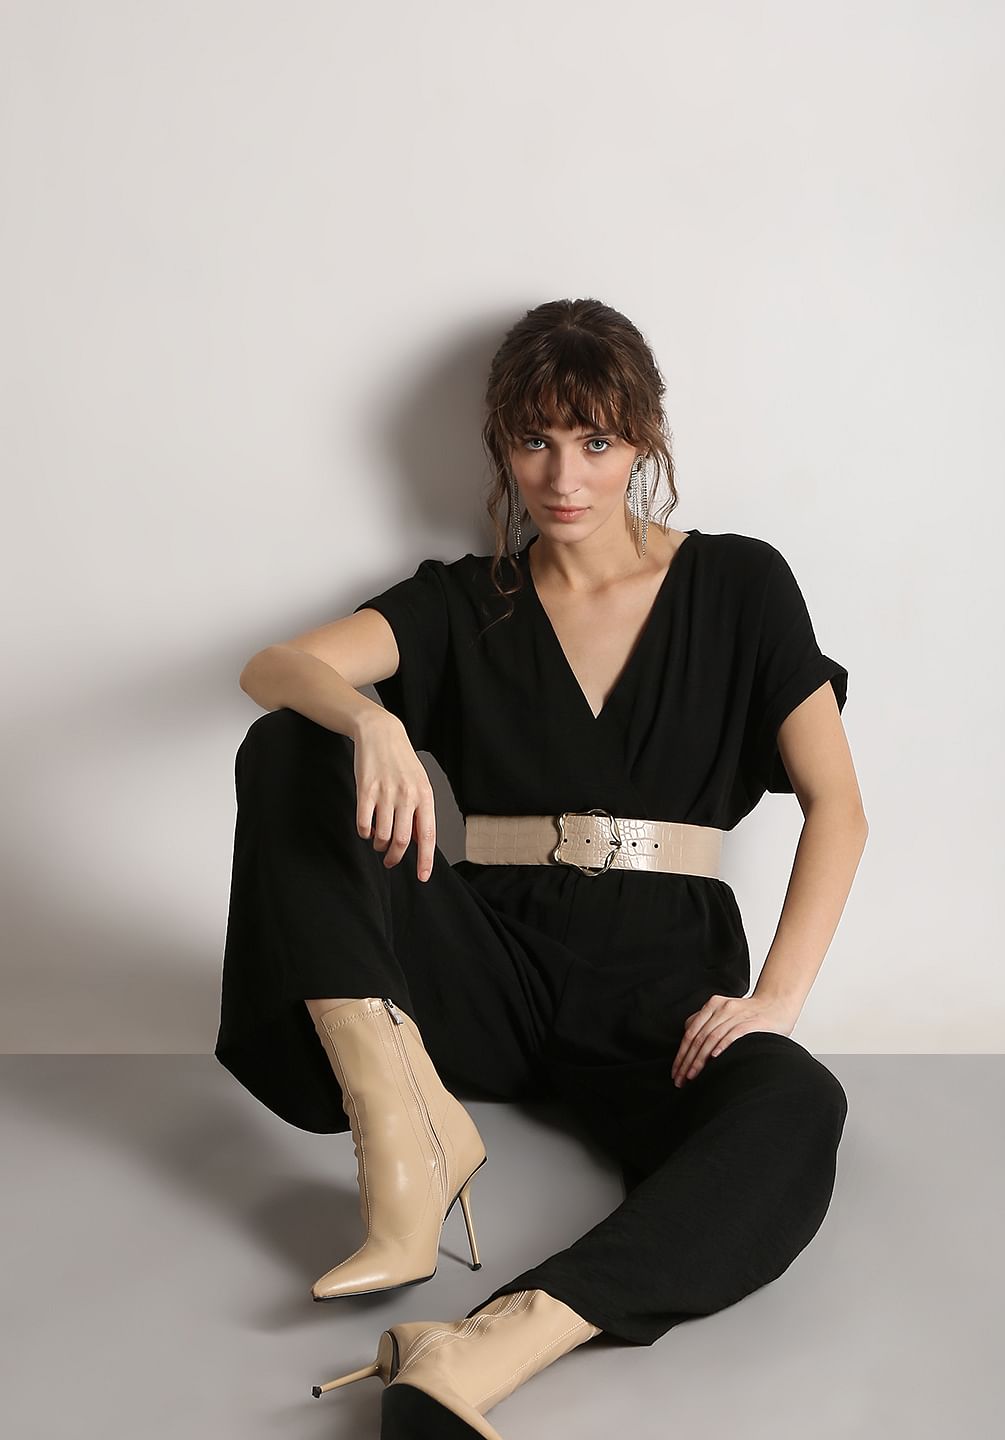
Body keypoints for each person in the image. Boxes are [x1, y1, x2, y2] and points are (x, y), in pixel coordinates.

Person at [214, 297, 868, 1438]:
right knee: (290, 744)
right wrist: (370, 720)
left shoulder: (741, 584)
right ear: (502, 447)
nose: (564, 477)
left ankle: (482, 1347)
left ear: (644, 441)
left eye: (596, 441)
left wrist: (776, 1001)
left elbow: (839, 809)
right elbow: (274, 667)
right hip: (487, 966)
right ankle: (408, 1138)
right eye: (535, 441)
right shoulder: (465, 600)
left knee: (798, 1107)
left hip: (661, 994)